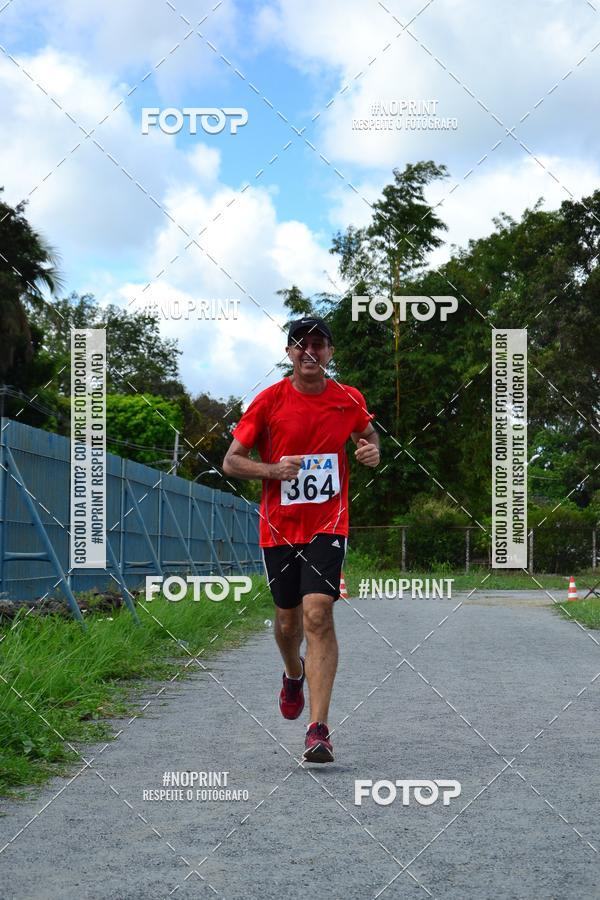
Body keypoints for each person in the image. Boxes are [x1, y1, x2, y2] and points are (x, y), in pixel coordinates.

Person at [222, 317, 379, 762]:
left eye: (318, 344)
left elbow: (368, 433)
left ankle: (319, 728)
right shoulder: (268, 402)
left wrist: (372, 450)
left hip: (329, 523)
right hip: (278, 527)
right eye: (300, 345)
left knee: (318, 614)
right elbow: (232, 462)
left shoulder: (348, 399)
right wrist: (273, 470)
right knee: (288, 622)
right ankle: (293, 673)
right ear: (289, 354)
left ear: (329, 353)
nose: (309, 352)